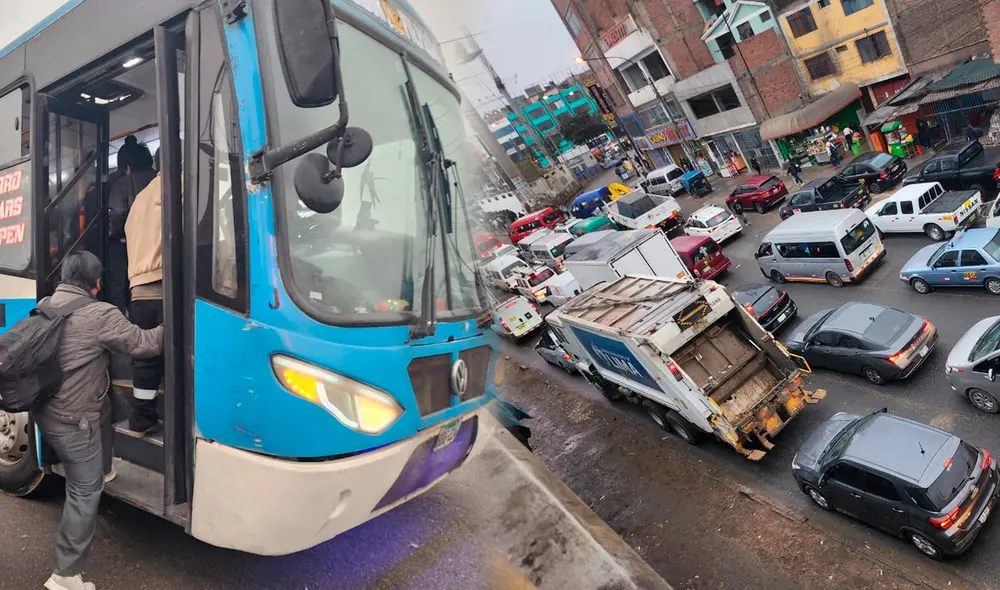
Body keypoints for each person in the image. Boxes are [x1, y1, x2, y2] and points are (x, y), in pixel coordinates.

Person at [36, 251, 163, 590]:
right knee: (83, 489)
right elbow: (145, 344)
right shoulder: (100, 313)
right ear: (96, 284)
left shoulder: (46, 304)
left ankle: (102, 466)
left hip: (45, 412)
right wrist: (181, 319)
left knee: (109, 409)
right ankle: (65, 577)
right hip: (75, 421)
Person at [123, 149, 167, 436]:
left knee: (146, 360)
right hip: (167, 287)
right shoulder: (181, 185)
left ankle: (141, 419)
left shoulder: (140, 198)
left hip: (139, 292)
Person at [106, 137, 157, 313]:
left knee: (118, 283)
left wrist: (117, 234)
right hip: (159, 246)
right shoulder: (162, 178)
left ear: (126, 166)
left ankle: (120, 318)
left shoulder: (123, 184)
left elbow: (118, 213)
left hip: (129, 247)